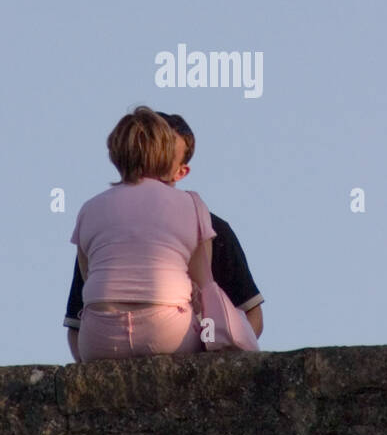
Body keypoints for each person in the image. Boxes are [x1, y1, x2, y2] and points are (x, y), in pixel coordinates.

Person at [63, 111, 264, 361]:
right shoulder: (192, 206)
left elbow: (87, 281)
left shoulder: (88, 209)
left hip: (98, 341)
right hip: (166, 333)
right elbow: (206, 288)